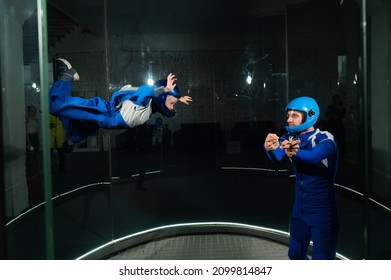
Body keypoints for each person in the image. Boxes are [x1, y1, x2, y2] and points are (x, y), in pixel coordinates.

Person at [263, 96, 339, 260]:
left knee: (323, 262)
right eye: (288, 115)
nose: (289, 119)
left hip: (323, 211)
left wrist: (296, 152)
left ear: (310, 115)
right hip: (300, 209)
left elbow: (314, 156)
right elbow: (277, 157)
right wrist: (269, 147)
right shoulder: (289, 138)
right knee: (295, 255)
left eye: (295, 116)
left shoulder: (325, 138)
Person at [49, 58, 192, 143]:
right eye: (172, 103)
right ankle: (68, 75)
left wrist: (178, 98)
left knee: (75, 135)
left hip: (106, 122)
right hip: (107, 113)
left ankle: (65, 111)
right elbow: (145, 91)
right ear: (161, 96)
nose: (172, 107)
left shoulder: (150, 110)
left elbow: (162, 102)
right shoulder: (145, 102)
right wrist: (164, 90)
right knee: (55, 105)